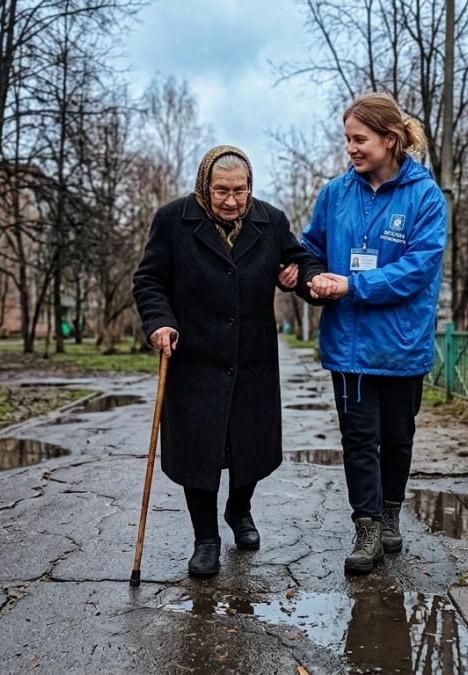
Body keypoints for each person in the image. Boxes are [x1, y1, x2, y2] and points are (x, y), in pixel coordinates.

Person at [133, 146, 324, 578]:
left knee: (249, 446)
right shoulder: (173, 220)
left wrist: (303, 278)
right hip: (194, 357)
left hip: (252, 357)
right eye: (222, 190)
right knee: (198, 450)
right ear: (205, 185)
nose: (233, 200)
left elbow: (302, 262)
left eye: (241, 190)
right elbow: (149, 280)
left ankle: (239, 510)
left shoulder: (270, 221)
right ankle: (205, 538)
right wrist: (160, 322)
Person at [302, 93, 447, 574]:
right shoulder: (335, 194)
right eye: (347, 139)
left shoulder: (425, 196)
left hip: (402, 344)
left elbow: (417, 270)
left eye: (359, 139)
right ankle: (365, 529)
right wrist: (308, 278)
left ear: (390, 140)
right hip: (348, 344)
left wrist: (350, 283)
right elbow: (311, 249)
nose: (350, 148)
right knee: (358, 440)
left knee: (397, 438)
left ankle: (390, 517)